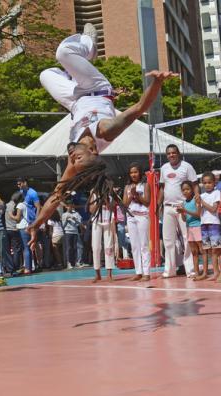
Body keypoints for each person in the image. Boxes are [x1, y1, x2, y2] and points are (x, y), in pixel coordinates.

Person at [27, 24, 176, 241]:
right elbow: (139, 108)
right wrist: (157, 83)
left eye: (73, 159)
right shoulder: (106, 131)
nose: (71, 157)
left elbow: (55, 198)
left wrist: (36, 224)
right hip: (96, 88)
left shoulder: (75, 163)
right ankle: (89, 46)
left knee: (46, 74)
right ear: (93, 149)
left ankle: (74, 70)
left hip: (75, 101)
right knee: (63, 53)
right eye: (77, 157)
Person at [158, 144, 199, 277]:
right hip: (168, 207)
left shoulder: (187, 166)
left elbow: (195, 184)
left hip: (183, 206)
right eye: (169, 153)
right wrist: (159, 205)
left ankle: (190, 270)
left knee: (187, 238)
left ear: (178, 153)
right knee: (168, 239)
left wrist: (197, 200)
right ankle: (169, 270)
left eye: (173, 153)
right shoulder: (164, 168)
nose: (171, 155)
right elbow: (162, 188)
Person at [122, 162, 151, 281]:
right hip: (131, 217)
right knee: (134, 245)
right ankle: (138, 271)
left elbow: (147, 202)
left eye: (135, 172)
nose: (133, 174)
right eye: (131, 172)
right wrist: (131, 195)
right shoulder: (127, 187)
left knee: (144, 244)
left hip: (142, 216)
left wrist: (137, 196)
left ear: (140, 173)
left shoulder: (145, 185)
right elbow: (124, 204)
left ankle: (146, 273)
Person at [197, 172, 221, 282]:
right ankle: (215, 272)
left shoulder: (217, 193)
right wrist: (197, 203)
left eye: (209, 182)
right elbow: (199, 212)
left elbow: (214, 209)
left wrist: (202, 202)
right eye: (205, 183)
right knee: (210, 251)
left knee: (218, 249)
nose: (207, 184)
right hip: (204, 224)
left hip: (214, 223)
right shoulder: (202, 196)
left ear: (214, 183)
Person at [177, 181, 206, 280]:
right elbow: (185, 219)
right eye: (183, 190)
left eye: (187, 189)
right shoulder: (184, 202)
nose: (185, 191)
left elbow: (198, 214)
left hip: (197, 226)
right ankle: (196, 272)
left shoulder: (195, 200)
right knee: (194, 252)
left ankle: (205, 272)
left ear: (192, 189)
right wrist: (181, 213)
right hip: (189, 228)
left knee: (202, 250)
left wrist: (185, 210)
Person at [88, 189, 116, 282]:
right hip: (97, 222)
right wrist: (99, 202)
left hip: (108, 222)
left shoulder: (111, 195)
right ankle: (98, 274)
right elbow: (91, 210)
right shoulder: (94, 195)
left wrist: (106, 200)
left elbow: (112, 208)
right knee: (95, 247)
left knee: (109, 247)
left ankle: (109, 274)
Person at [3, 192, 23, 274]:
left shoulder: (7, 205)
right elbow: (18, 219)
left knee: (7, 250)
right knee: (16, 250)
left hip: (7, 229)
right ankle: (16, 267)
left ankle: (10, 268)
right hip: (15, 229)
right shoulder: (17, 206)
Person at [61, 201, 82, 269]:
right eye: (68, 206)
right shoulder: (64, 215)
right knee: (69, 248)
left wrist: (75, 219)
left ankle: (76, 262)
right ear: (66, 206)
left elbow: (79, 223)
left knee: (75, 247)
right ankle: (68, 263)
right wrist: (66, 220)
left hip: (75, 232)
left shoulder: (76, 214)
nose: (70, 207)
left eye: (71, 205)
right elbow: (63, 226)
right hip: (68, 232)